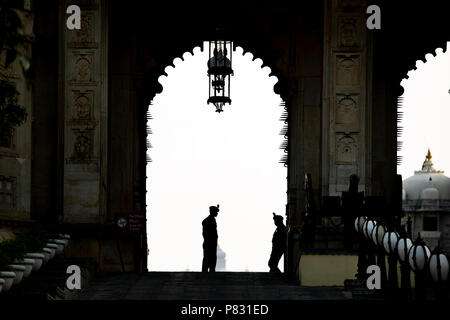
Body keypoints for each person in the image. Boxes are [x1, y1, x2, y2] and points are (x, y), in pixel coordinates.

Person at [202, 204, 220, 272]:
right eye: (216, 212)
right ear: (213, 212)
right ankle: (208, 272)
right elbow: (206, 233)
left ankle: (209, 271)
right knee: (208, 258)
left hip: (211, 243)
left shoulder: (210, 220)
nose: (217, 214)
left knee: (210, 258)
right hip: (209, 243)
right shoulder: (209, 220)